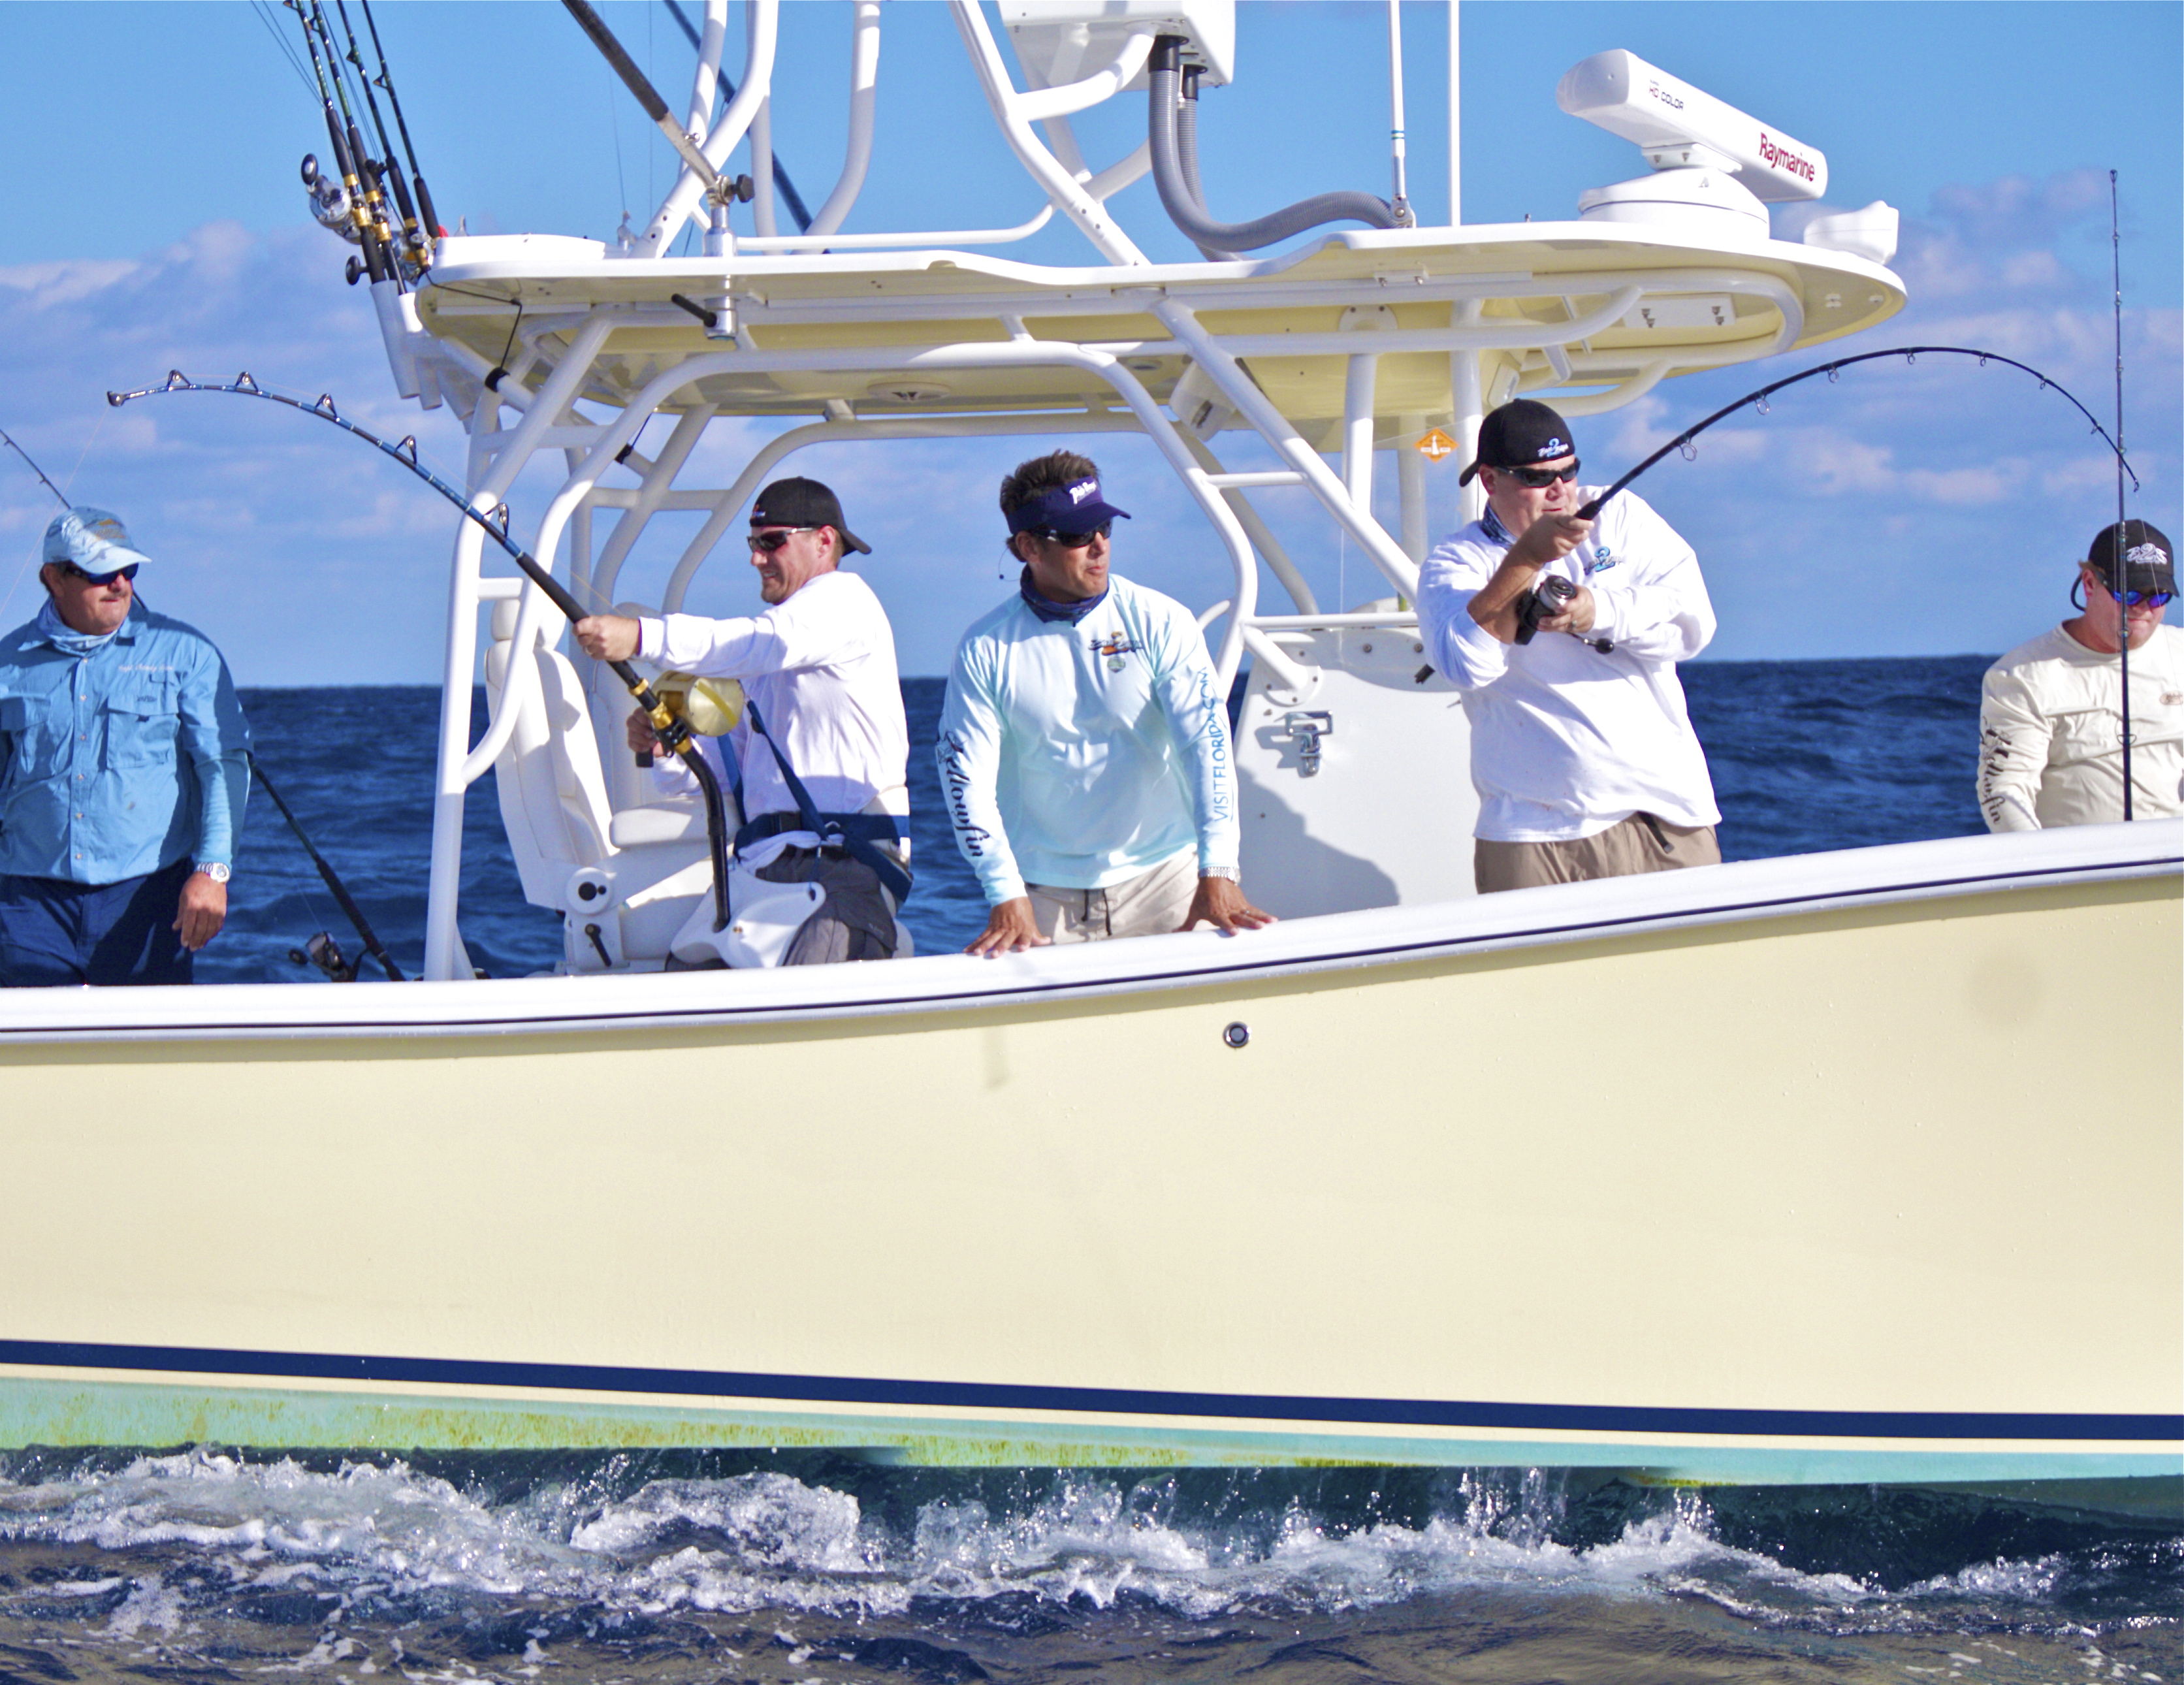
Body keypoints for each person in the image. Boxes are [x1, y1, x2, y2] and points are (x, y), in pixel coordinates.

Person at [937, 449, 1273, 955]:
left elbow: (1207, 746)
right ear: (1028, 546)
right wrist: (1004, 891)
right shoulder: (984, 647)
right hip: (1042, 896)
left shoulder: (1163, 621)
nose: (1098, 545)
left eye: (1104, 528)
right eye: (1077, 534)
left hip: (1170, 881)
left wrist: (1219, 868)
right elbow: (965, 781)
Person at [571, 476, 909, 964]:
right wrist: (667, 749)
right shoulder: (778, 650)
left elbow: (756, 642)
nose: (756, 559)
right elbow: (720, 775)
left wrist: (642, 637)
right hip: (759, 871)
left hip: (842, 864)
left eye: (772, 542)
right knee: (683, 981)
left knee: (802, 1001)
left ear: (824, 541)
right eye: (753, 545)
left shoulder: (843, 602)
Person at [1416, 399, 1721, 893]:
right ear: (1490, 480)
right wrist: (1526, 560)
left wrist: (1598, 611)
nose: (1559, 490)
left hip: (1664, 815)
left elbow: (1692, 625)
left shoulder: (1619, 514)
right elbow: (1465, 666)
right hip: (1531, 836)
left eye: (1569, 472)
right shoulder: (1456, 561)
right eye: (1536, 478)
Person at [0, 506, 250, 986]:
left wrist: (213, 871)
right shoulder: (7, 664)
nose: (119, 584)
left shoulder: (187, 654)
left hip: (148, 901)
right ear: (54, 579)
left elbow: (222, 766)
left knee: (150, 1034)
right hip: (28, 907)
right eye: (99, 572)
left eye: (128, 569)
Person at [1977, 519, 2183, 831]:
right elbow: (2003, 792)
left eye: (2157, 596)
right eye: (2128, 594)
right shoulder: (2019, 677)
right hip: (2078, 860)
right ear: (2089, 584)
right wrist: (2039, 858)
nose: (2142, 608)